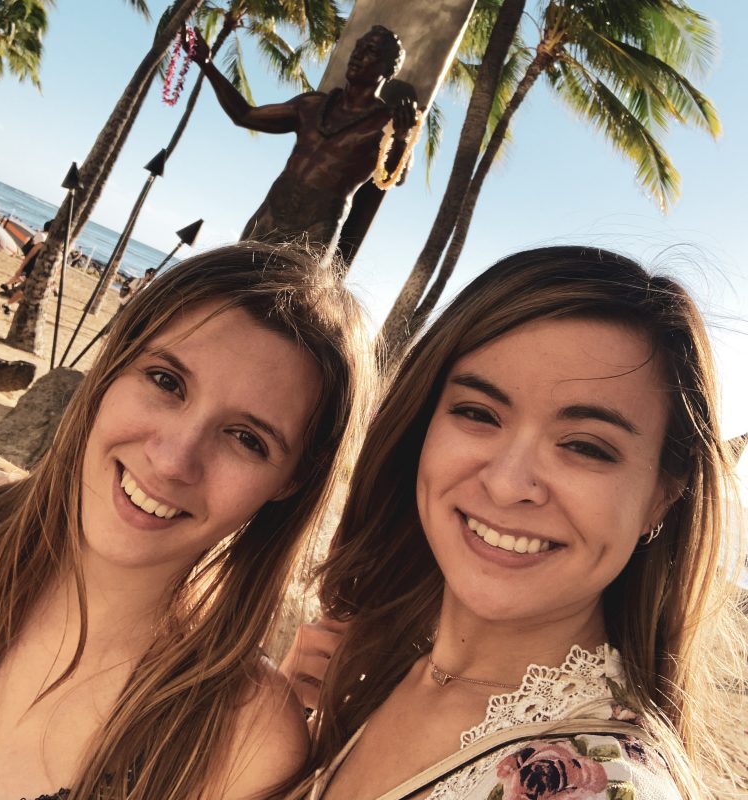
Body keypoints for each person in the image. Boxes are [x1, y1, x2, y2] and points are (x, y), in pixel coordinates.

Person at [293, 245, 747, 800]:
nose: (508, 483)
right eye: (478, 413)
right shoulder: (369, 671)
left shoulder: (603, 786)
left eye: (585, 446)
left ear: (662, 498)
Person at [0, 240, 375, 800]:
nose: (172, 461)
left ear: (290, 484)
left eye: (247, 439)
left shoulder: (242, 741)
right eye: (167, 382)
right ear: (114, 366)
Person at [191, 25, 421, 259]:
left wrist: (401, 139)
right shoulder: (312, 105)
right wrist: (206, 64)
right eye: (358, 47)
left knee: (286, 294)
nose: (358, 54)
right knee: (234, 282)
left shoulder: (384, 123)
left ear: (388, 68)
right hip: (270, 215)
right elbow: (245, 115)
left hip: (316, 229)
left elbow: (396, 177)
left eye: (370, 50)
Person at [0, 219, 53, 311]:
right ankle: (8, 297)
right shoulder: (43, 238)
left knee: (24, 286)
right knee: (24, 284)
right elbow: (32, 249)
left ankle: (8, 298)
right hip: (32, 265)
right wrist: (22, 267)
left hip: (35, 266)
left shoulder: (46, 239)